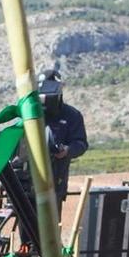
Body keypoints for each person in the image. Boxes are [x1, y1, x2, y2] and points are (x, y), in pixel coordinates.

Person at [39, 67, 88, 199]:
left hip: (56, 183)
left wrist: (67, 150)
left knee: (52, 219)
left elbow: (81, 144)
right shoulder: (30, 113)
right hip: (28, 183)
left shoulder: (72, 115)